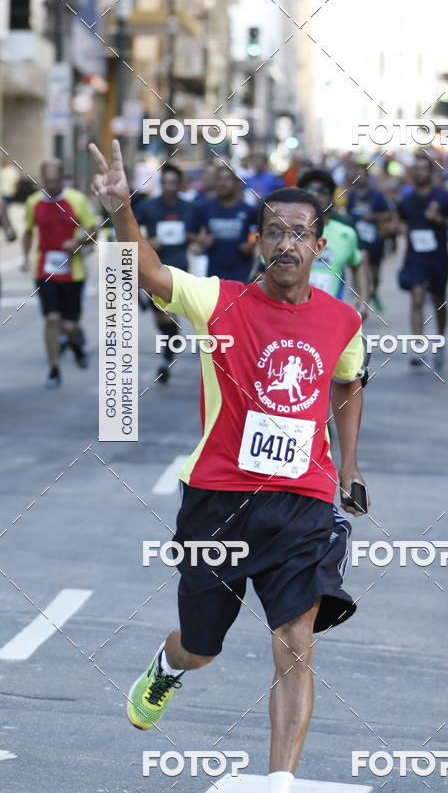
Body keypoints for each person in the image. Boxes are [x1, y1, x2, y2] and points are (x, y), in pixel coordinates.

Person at [89, 141, 368, 793]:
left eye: (300, 233)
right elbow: (152, 274)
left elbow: (349, 386)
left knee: (296, 641)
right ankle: (169, 664)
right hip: (218, 499)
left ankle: (278, 782)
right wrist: (121, 209)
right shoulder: (220, 302)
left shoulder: (343, 320)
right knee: (202, 645)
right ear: (257, 240)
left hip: (301, 499)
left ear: (320, 246)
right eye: (275, 231)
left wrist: (349, 468)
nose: (287, 243)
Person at [22, 159, 97, 388]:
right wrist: (25, 259)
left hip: (73, 271)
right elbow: (27, 231)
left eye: (55, 181)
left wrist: (76, 240)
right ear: (42, 179)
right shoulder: (33, 202)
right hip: (44, 269)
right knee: (52, 319)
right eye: (48, 181)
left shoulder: (77, 200)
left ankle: (75, 346)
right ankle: (54, 369)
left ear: (62, 178)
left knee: (69, 327)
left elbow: (94, 230)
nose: (52, 185)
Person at [397, 154, 448, 367]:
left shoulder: (444, 198)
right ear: (412, 173)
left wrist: (441, 219)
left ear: (430, 172)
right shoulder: (407, 200)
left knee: (438, 300)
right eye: (416, 169)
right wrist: (396, 228)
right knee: (417, 297)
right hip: (415, 256)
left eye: (424, 169)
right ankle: (418, 346)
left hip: (438, 258)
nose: (420, 173)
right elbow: (399, 222)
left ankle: (440, 341)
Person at [134, 163, 198, 383]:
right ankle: (171, 341)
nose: (169, 187)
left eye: (173, 182)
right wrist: (145, 243)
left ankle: (165, 359)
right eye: (165, 182)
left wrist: (196, 241)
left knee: (169, 312)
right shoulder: (149, 207)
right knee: (161, 318)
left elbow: (199, 232)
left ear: (180, 184)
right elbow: (128, 230)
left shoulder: (190, 208)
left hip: (178, 268)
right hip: (154, 269)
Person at [298, 168, 369, 315]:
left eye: (322, 191)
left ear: (330, 197)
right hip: (291, 312)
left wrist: (363, 301)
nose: (316, 195)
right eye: (310, 190)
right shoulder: (287, 230)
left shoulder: (346, 231)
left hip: (331, 313)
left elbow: (358, 263)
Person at [191, 165, 258, 282]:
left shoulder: (248, 209)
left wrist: (251, 244)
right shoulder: (205, 208)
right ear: (215, 183)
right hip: (214, 273)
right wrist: (201, 241)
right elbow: (190, 232)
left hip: (241, 272)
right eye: (219, 179)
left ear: (235, 183)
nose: (223, 183)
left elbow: (262, 230)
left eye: (227, 179)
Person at [345, 163, 392, 311]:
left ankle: (373, 291)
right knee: (360, 269)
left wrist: (373, 216)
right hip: (358, 240)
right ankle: (362, 299)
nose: (360, 179)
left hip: (375, 239)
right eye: (357, 176)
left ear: (367, 177)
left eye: (363, 175)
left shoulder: (377, 196)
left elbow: (388, 214)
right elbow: (347, 216)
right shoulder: (350, 196)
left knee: (375, 274)